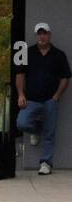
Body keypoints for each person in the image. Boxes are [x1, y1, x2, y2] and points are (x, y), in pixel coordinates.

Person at [16, 22, 71, 175]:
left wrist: (56, 96)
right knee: (22, 123)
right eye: (39, 33)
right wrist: (21, 94)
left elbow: (65, 77)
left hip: (50, 100)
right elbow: (19, 75)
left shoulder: (59, 55)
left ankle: (46, 163)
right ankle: (36, 130)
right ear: (36, 35)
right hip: (31, 99)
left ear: (49, 35)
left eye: (44, 33)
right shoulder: (26, 52)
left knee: (50, 133)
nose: (42, 36)